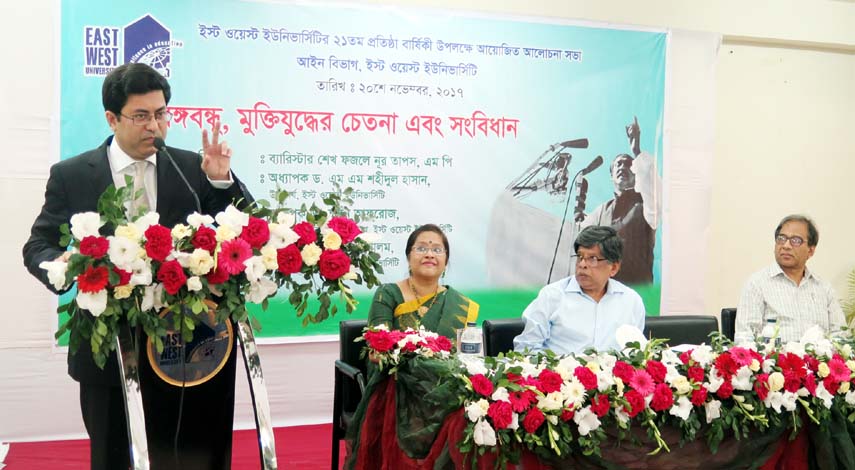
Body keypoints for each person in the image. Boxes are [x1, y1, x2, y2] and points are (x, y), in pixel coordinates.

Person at [22, 63, 252, 470]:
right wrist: (57, 265)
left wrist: (220, 183)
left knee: (188, 454)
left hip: (187, 345)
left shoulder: (190, 166)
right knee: (114, 457)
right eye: (141, 116)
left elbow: (243, 228)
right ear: (112, 118)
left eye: (161, 113)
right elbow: (37, 244)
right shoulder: (73, 175)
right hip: (109, 349)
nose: (155, 126)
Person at [514, 225, 646, 355]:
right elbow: (526, 348)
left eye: (592, 259)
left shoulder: (631, 301)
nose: (582, 264)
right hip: (563, 374)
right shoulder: (552, 296)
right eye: (580, 257)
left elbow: (636, 353)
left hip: (611, 376)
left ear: (613, 268)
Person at [734, 215, 845, 345]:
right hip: (775, 362)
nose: (786, 246)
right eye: (781, 239)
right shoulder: (757, 284)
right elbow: (745, 338)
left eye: (795, 240)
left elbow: (840, 336)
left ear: (811, 250)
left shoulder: (824, 288)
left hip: (818, 362)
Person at [579, 117, 659, 285]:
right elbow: (579, 236)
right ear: (611, 175)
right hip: (604, 292)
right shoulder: (601, 211)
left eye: (628, 165)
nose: (623, 167)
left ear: (636, 172)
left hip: (637, 291)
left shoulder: (646, 201)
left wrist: (636, 151)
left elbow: (653, 187)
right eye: (618, 165)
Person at [367, 224, 479, 341]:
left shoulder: (459, 304)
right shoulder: (388, 294)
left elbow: (465, 355)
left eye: (437, 250)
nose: (429, 255)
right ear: (408, 257)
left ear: (445, 261)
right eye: (421, 249)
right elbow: (376, 351)